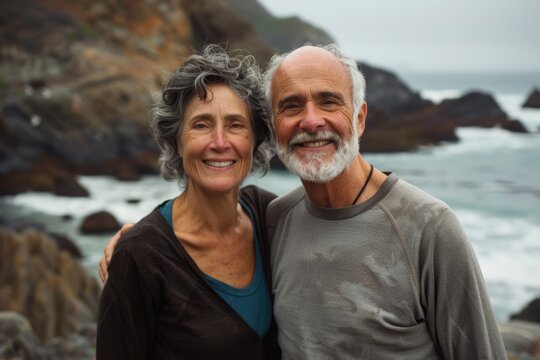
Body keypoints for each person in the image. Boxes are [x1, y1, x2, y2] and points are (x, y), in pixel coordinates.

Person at [101, 44, 507, 359]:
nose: (311, 121)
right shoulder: (278, 217)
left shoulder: (428, 228)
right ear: (276, 130)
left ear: (360, 117)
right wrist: (135, 245)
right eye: (291, 105)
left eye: (329, 101)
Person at [96, 45, 280, 360]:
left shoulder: (271, 215)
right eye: (201, 125)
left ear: (255, 140)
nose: (220, 142)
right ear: (176, 141)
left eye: (236, 125)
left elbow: (339, 216)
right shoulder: (140, 259)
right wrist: (136, 247)